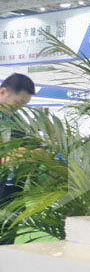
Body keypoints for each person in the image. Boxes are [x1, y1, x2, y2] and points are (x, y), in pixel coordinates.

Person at [0, 73, 35, 245]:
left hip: (11, 191)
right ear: (3, 92)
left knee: (7, 241)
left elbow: (29, 147)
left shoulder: (18, 121)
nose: (20, 108)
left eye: (24, 105)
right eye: (18, 103)